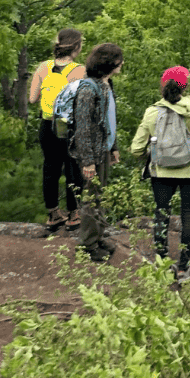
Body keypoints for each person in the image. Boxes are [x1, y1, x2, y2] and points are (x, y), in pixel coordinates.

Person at [131, 66, 190, 281]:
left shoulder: (152, 112)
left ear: (163, 86)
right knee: (188, 214)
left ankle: (162, 264)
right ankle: (184, 267)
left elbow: (136, 148)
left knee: (161, 213)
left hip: (161, 171)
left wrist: (147, 155)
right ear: (185, 86)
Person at [29, 28, 86, 230]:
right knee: (73, 169)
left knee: (50, 169)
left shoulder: (43, 67)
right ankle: (73, 214)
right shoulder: (79, 70)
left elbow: (32, 98)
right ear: (76, 47)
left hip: (46, 125)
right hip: (68, 125)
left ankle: (53, 214)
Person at [71, 43, 123, 262]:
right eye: (119, 59)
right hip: (91, 154)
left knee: (100, 197)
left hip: (103, 150)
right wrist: (87, 161)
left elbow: (108, 120)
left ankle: (97, 237)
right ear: (109, 63)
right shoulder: (87, 89)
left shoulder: (106, 84)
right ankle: (87, 246)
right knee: (91, 199)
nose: (122, 63)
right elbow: (81, 127)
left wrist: (114, 147)